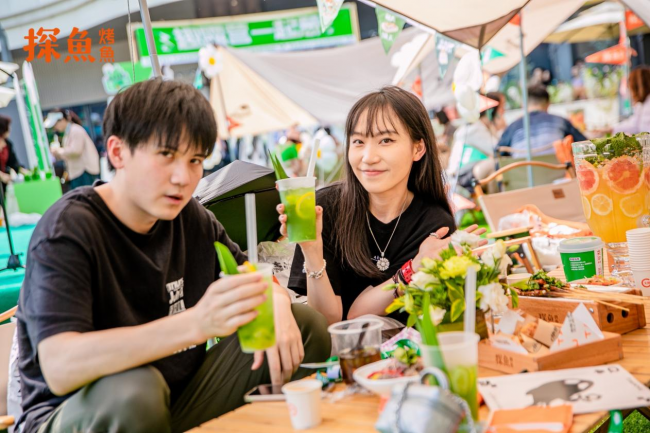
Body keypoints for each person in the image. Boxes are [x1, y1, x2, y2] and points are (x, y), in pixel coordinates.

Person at [16, 79, 330, 433]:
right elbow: (59, 368)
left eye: (195, 160)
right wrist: (198, 323)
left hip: (175, 401)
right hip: (85, 415)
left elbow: (255, 279)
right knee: (136, 392)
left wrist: (276, 301)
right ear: (117, 152)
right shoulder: (68, 229)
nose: (183, 177)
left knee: (304, 325)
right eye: (166, 155)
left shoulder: (191, 218)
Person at [278, 86, 485, 326]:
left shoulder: (433, 223)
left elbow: (361, 314)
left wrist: (414, 268)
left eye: (386, 140)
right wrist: (312, 251)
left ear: (418, 148)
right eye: (358, 141)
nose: (368, 157)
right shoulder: (325, 208)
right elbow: (327, 320)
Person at [497, 85, 587, 156]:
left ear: (523, 104)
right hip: (558, 172)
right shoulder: (560, 121)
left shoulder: (512, 128)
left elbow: (498, 156)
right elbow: (584, 145)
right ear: (548, 104)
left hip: (522, 173)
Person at [447, 93, 502, 189]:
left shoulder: (472, 127)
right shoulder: (475, 129)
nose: (502, 113)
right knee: (496, 163)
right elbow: (497, 150)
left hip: (463, 174)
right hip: (461, 176)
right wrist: (499, 128)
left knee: (493, 171)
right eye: (501, 111)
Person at [43, 108, 100, 189]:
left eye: (55, 124)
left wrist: (58, 151)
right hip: (77, 173)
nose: (55, 128)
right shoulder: (68, 132)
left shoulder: (75, 130)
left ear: (62, 120)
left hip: (84, 172)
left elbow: (76, 151)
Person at [613, 66, 650, 135]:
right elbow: (634, 124)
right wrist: (610, 129)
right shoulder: (642, 104)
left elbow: (635, 126)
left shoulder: (647, 104)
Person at [0, 115, 26, 186]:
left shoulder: (8, 144)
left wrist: (23, 171)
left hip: (3, 184)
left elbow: (13, 163)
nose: (10, 129)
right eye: (8, 127)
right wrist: (2, 175)